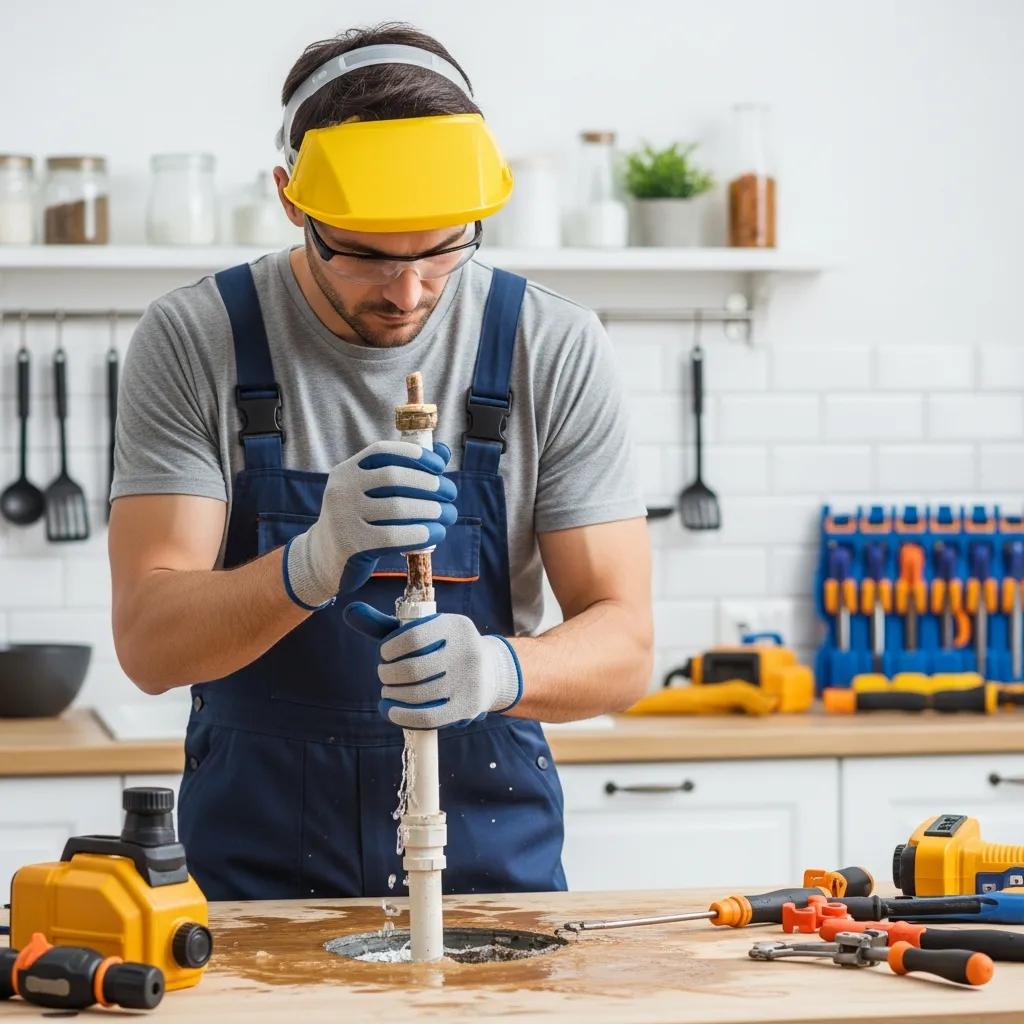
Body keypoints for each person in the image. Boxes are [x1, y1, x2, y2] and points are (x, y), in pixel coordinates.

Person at [109, 23, 652, 901]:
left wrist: (502, 670)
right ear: (291, 199)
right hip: (256, 869)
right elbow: (148, 644)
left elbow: (624, 644)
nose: (408, 293)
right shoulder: (195, 338)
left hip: (490, 868)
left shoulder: (550, 342)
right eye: (363, 253)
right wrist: (311, 563)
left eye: (443, 249)